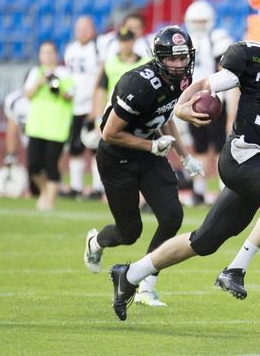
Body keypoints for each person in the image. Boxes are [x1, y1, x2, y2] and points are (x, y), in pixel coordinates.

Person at [107, 2, 260, 321]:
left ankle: (131, 273)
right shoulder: (250, 57)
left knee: (204, 241)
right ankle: (236, 269)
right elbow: (207, 84)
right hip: (242, 154)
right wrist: (181, 107)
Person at [83, 26, 203, 307]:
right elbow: (109, 133)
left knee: (172, 217)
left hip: (150, 154)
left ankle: (145, 284)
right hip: (117, 158)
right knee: (129, 232)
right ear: (158, 58)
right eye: (171, 59)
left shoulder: (183, 78)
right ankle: (96, 242)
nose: (178, 64)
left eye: (183, 57)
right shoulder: (137, 84)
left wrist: (184, 155)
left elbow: (165, 115)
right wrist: (151, 146)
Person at [183, 0, 234, 205]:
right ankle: (199, 190)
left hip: (215, 100)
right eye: (196, 21)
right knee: (200, 148)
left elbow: (225, 70)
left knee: (221, 147)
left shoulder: (218, 38)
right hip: (192, 101)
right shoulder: (185, 40)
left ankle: (223, 190)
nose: (199, 25)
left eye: (203, 21)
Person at [23, 41, 75, 211]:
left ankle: (50, 202)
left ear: (55, 54)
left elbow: (70, 95)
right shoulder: (35, 73)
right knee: (33, 165)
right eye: (43, 52)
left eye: (49, 52)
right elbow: (28, 95)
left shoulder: (64, 73)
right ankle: (44, 191)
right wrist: (40, 82)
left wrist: (58, 87)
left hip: (56, 128)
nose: (46, 56)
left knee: (52, 165)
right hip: (37, 126)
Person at [63, 15, 105, 199]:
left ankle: (98, 188)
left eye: (86, 28)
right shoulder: (70, 49)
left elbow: (102, 75)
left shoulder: (98, 47)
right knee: (75, 147)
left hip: (93, 105)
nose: (83, 32)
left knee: (96, 147)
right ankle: (76, 186)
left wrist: (96, 106)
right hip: (74, 105)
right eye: (80, 29)